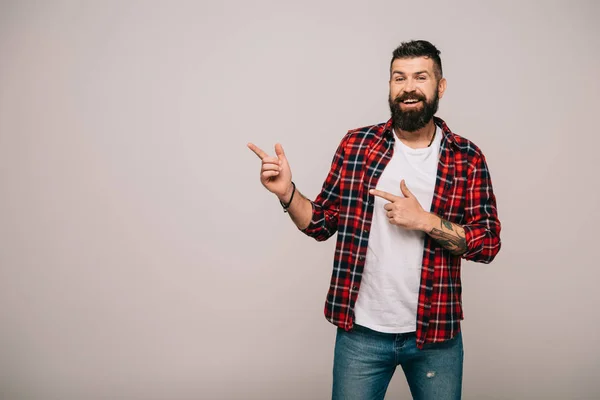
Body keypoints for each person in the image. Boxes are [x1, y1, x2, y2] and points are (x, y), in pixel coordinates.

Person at [248, 40, 501, 400]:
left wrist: (425, 220)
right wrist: (286, 192)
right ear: (390, 86)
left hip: (435, 336)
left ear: (440, 87)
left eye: (420, 77)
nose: (408, 87)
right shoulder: (357, 145)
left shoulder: (466, 157)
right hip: (361, 334)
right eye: (399, 78)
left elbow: (488, 243)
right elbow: (320, 223)